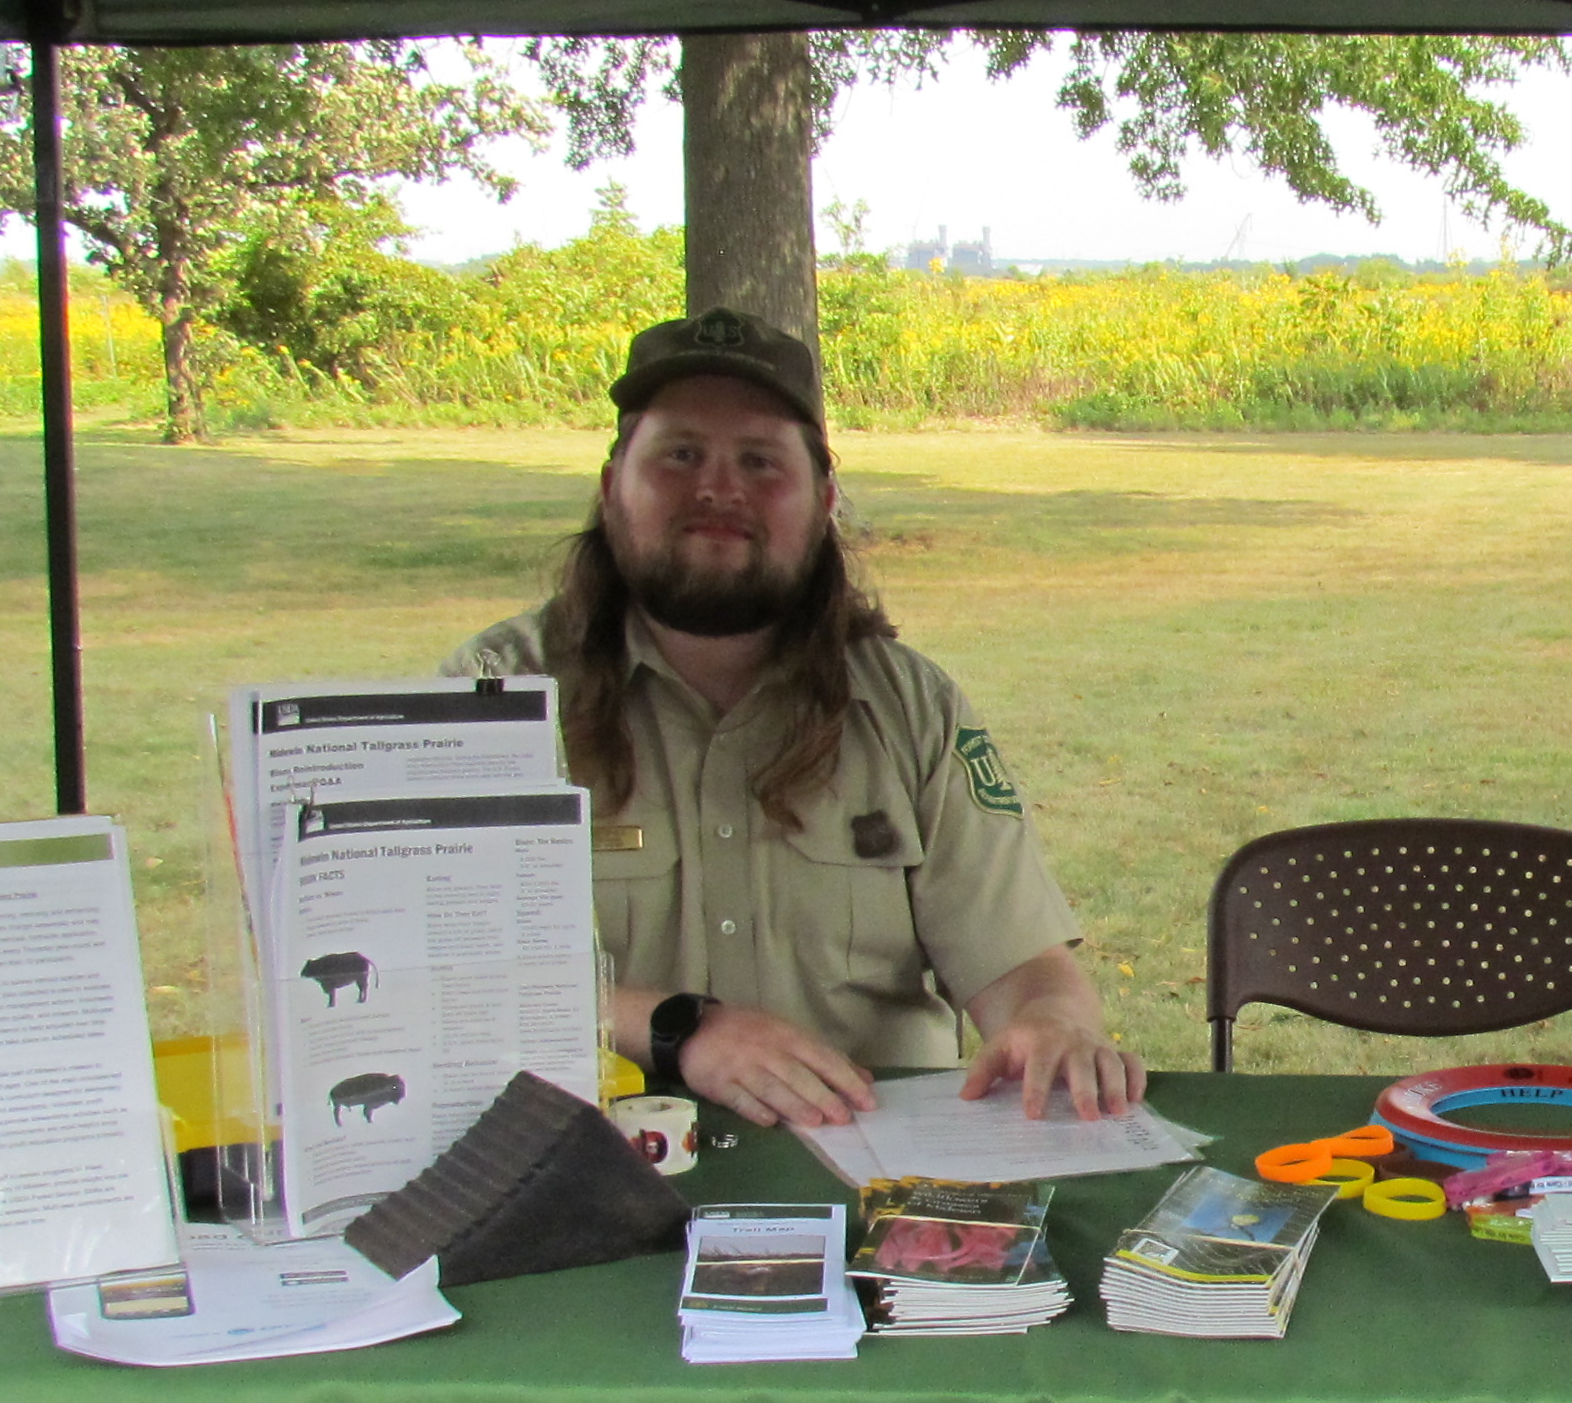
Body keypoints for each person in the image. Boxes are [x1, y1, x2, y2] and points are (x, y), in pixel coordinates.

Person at [442, 306, 1143, 1132]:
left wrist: (1054, 1026)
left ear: (824, 502)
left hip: (872, 1163)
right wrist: (681, 1030)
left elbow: (1019, 960)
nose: (718, 487)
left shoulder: (909, 707)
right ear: (610, 487)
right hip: (593, 1157)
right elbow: (449, 974)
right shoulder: (491, 700)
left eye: (761, 461)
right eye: (680, 454)